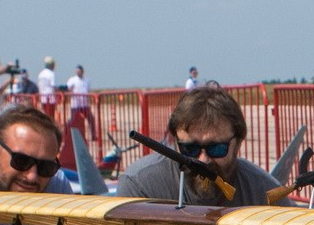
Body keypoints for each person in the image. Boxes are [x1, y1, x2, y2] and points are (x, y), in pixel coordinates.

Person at [114, 86, 281, 209]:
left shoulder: (265, 194)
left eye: (216, 148)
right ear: (175, 143)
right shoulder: (141, 187)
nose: (203, 160)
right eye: (190, 149)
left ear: (238, 143)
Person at [66, 61, 97, 148]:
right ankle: (67, 136)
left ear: (82, 71)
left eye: (80, 71)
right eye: (77, 71)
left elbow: (89, 91)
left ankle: (93, 135)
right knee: (72, 121)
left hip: (85, 104)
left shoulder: (86, 80)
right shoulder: (72, 80)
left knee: (91, 119)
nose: (78, 72)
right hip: (76, 105)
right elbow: (68, 88)